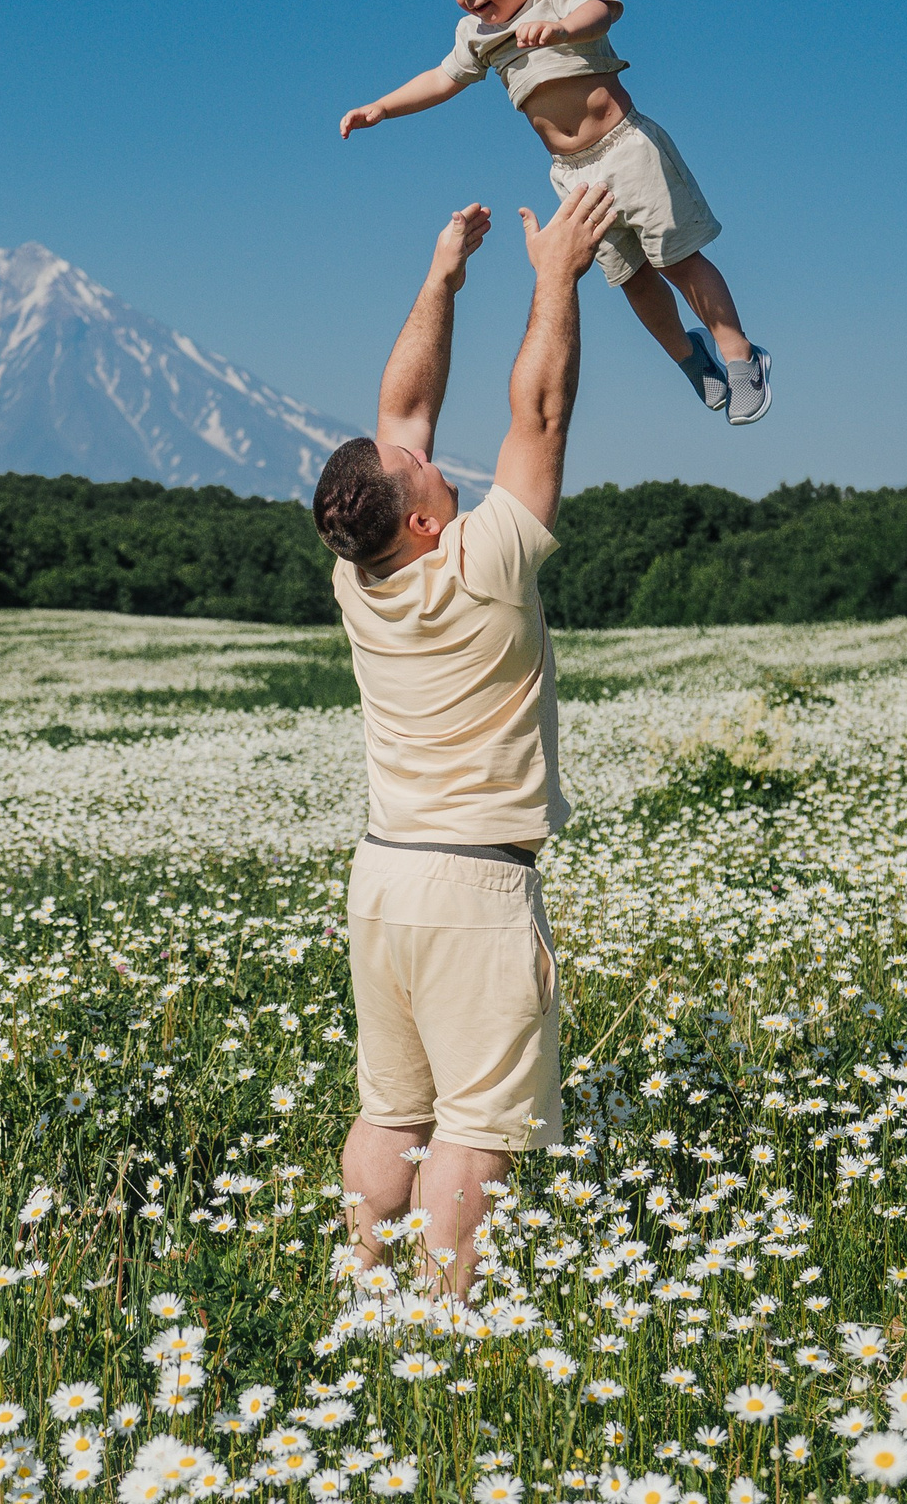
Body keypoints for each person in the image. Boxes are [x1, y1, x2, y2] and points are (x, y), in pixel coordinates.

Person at [309, 181, 617, 1300]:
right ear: (428, 520)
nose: (431, 457)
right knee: (472, 1134)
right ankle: (447, 1322)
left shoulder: (362, 575)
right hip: (474, 885)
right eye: (426, 474)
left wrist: (443, 274)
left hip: (382, 876)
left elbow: (397, 419)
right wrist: (553, 277)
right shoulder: (483, 569)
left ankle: (362, 1286)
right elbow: (539, 413)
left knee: (389, 1109)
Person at [340, 0, 774, 426]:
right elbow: (440, 79)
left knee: (677, 260)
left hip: (626, 150)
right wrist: (381, 107)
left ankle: (740, 356)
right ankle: (690, 359)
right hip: (573, 175)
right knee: (631, 277)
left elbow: (603, 12)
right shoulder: (477, 36)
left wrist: (563, 30)